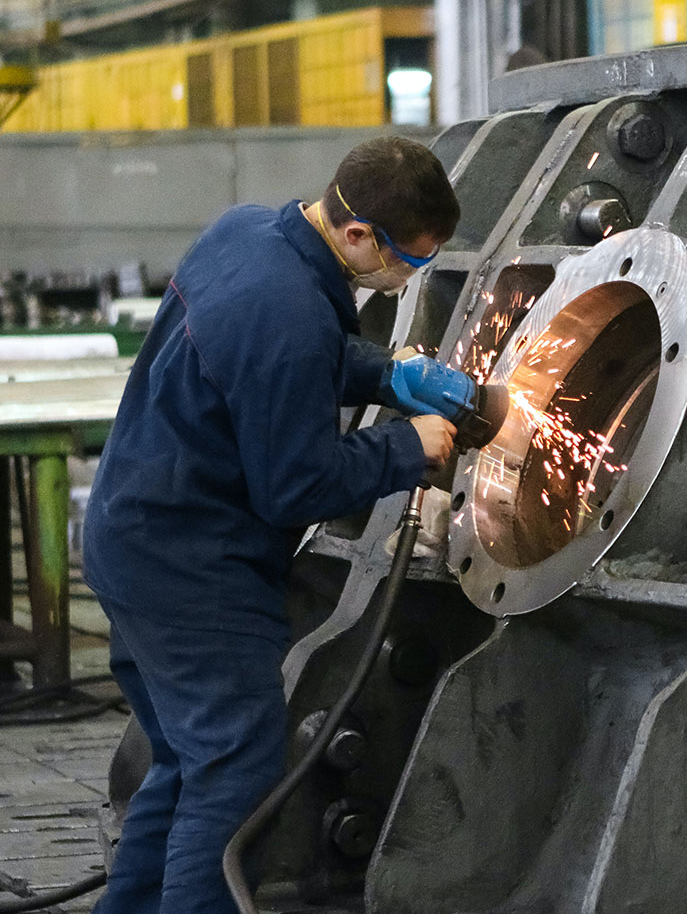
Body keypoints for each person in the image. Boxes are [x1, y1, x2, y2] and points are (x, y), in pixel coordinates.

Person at [82, 136, 461, 914]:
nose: (406, 276)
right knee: (232, 774)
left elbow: (281, 356)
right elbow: (296, 485)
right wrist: (404, 445)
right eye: (408, 262)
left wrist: (390, 374)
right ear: (360, 236)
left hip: (133, 536)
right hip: (191, 570)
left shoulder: (247, 232)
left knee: (185, 763)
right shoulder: (286, 313)